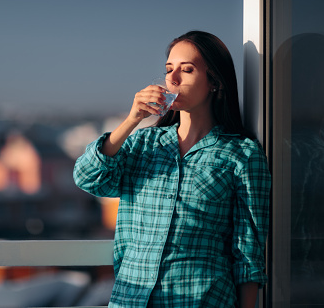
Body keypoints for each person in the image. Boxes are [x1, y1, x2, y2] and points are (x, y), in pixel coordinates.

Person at [73, 31, 271, 307]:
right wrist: (132, 120)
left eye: (187, 70)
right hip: (132, 299)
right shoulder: (143, 144)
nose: (173, 79)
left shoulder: (241, 153)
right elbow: (87, 178)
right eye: (169, 69)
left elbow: (248, 252)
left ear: (213, 81)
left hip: (202, 300)